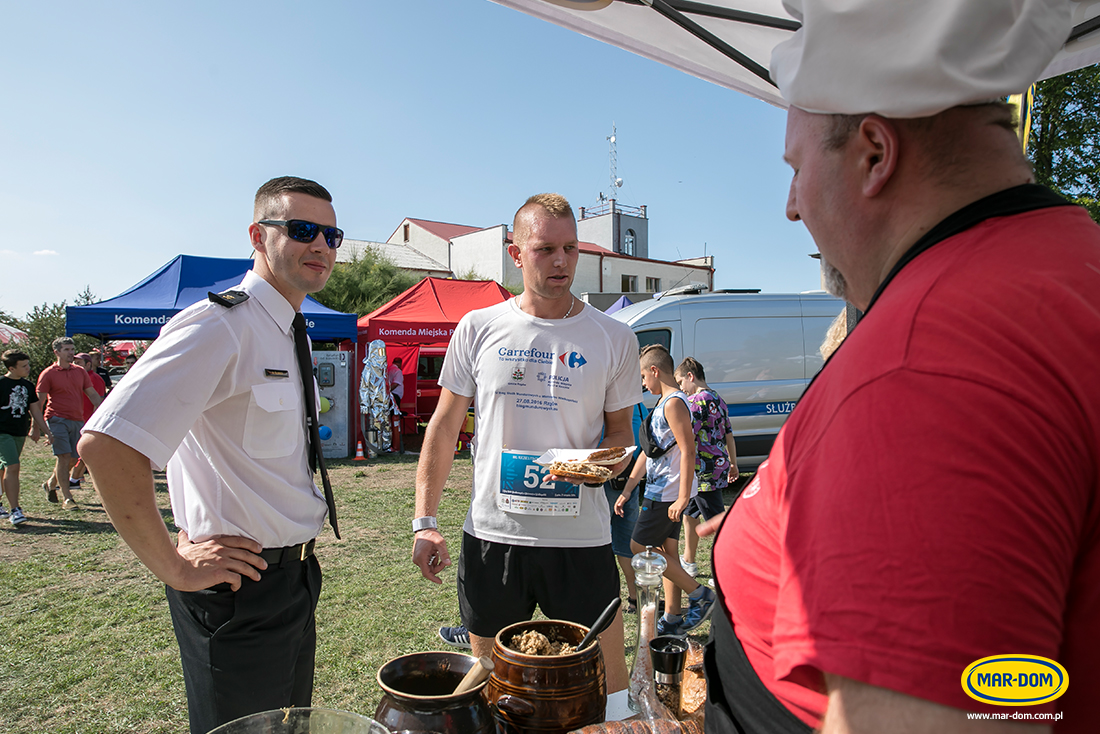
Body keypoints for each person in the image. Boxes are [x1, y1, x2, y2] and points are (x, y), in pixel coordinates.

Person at [699, 3, 1098, 732]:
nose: (791, 208)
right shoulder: (1063, 258)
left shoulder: (928, 366)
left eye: (795, 169)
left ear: (875, 154)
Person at [79, 176, 343, 734]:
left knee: (288, 726)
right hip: (236, 592)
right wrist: (172, 566)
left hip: (291, 579)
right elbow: (107, 442)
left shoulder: (288, 328)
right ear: (258, 235)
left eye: (331, 234)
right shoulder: (221, 325)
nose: (320, 245)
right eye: (301, 229)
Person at [412, 193, 639, 692]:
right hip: (495, 535)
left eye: (570, 249)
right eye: (544, 249)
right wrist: (425, 521)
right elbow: (446, 425)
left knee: (606, 682)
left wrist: (606, 465)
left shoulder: (613, 338)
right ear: (516, 253)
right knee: (494, 683)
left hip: (580, 537)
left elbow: (622, 431)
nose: (561, 261)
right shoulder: (479, 327)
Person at [615, 344, 714, 637]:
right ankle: (672, 616)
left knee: (638, 547)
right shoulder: (662, 404)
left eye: (644, 376)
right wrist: (629, 488)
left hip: (666, 493)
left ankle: (700, 595)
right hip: (657, 489)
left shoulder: (673, 403)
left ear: (655, 371)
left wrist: (683, 497)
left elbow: (688, 449)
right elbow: (650, 452)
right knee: (666, 551)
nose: (643, 383)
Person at [673, 357, 737, 577]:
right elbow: (729, 433)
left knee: (717, 522)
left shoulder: (695, 402)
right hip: (715, 467)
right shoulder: (718, 398)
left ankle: (730, 569)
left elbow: (686, 436)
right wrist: (733, 463)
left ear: (690, 376)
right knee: (690, 513)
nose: (681, 388)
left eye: (681, 382)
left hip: (703, 472)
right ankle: (689, 561)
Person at [35, 337, 101, 510]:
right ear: (57, 352)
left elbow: (92, 394)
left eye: (72, 349)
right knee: (64, 457)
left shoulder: (80, 372)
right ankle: (67, 498)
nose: (71, 353)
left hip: (77, 419)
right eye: (66, 350)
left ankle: (51, 483)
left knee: (73, 458)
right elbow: (39, 403)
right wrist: (35, 427)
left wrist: (104, 410)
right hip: (56, 419)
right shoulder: (48, 374)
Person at [0, 350, 52, 526]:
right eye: (23, 366)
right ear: (11, 368)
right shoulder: (1, 383)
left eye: (28, 364)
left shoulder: (28, 386)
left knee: (3, 467)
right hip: (2, 433)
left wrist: (47, 431)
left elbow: (36, 411)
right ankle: (15, 510)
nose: (28, 368)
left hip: (19, 432)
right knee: (13, 466)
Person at [67, 353, 106, 490]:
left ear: (88, 364)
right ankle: (73, 479)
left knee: (82, 452)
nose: (76, 365)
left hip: (88, 421)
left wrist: (94, 423)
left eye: (79, 363)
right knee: (76, 453)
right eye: (75, 362)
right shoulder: (75, 377)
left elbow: (99, 401)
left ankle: (72, 479)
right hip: (75, 418)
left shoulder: (95, 379)